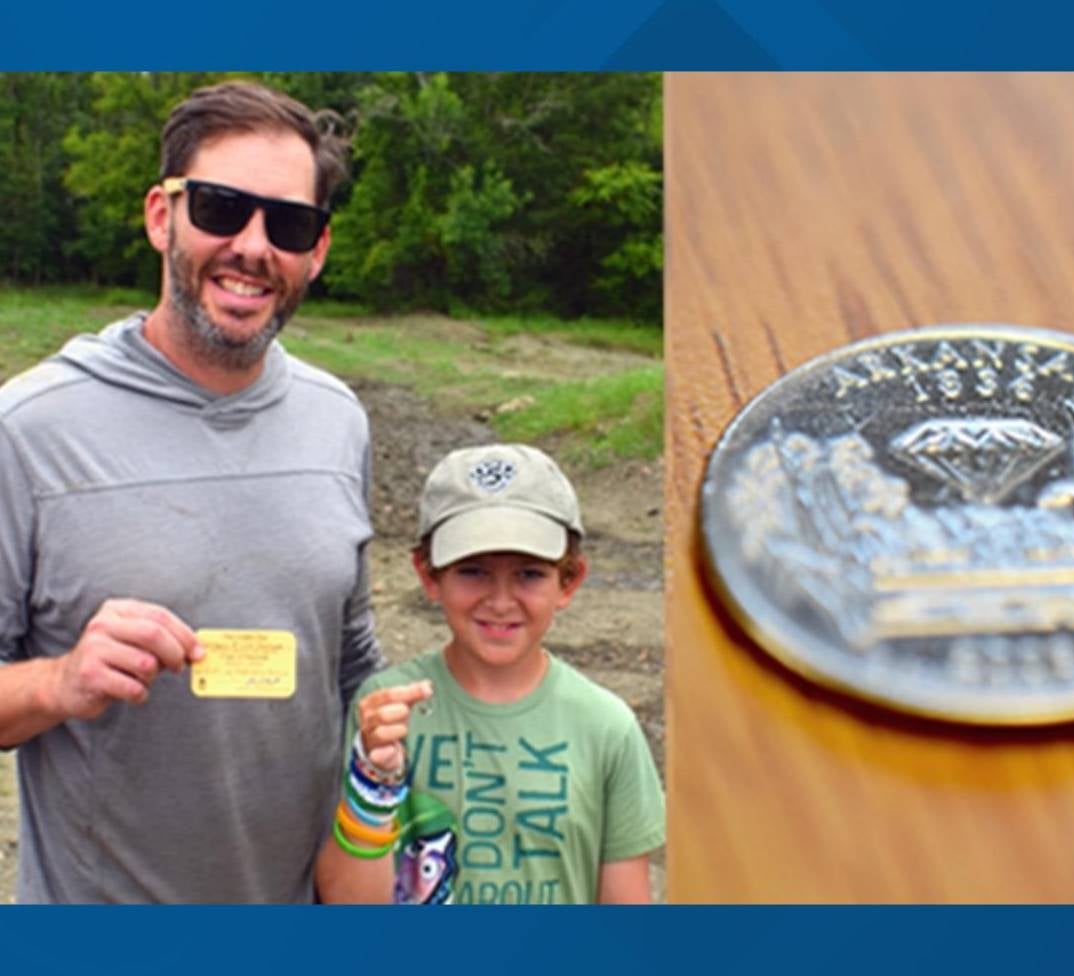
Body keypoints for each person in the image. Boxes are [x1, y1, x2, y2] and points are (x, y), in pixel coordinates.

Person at [0, 81, 383, 902]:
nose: (252, 247)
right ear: (160, 216)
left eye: (287, 224)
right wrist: (60, 681)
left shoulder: (337, 421)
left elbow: (350, 663)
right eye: (218, 207)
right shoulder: (28, 431)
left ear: (316, 250)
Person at [315, 444, 664, 904]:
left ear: (570, 580)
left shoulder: (607, 727)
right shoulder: (386, 713)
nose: (500, 600)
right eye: (473, 571)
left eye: (529, 574)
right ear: (428, 575)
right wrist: (371, 785)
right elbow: (347, 905)